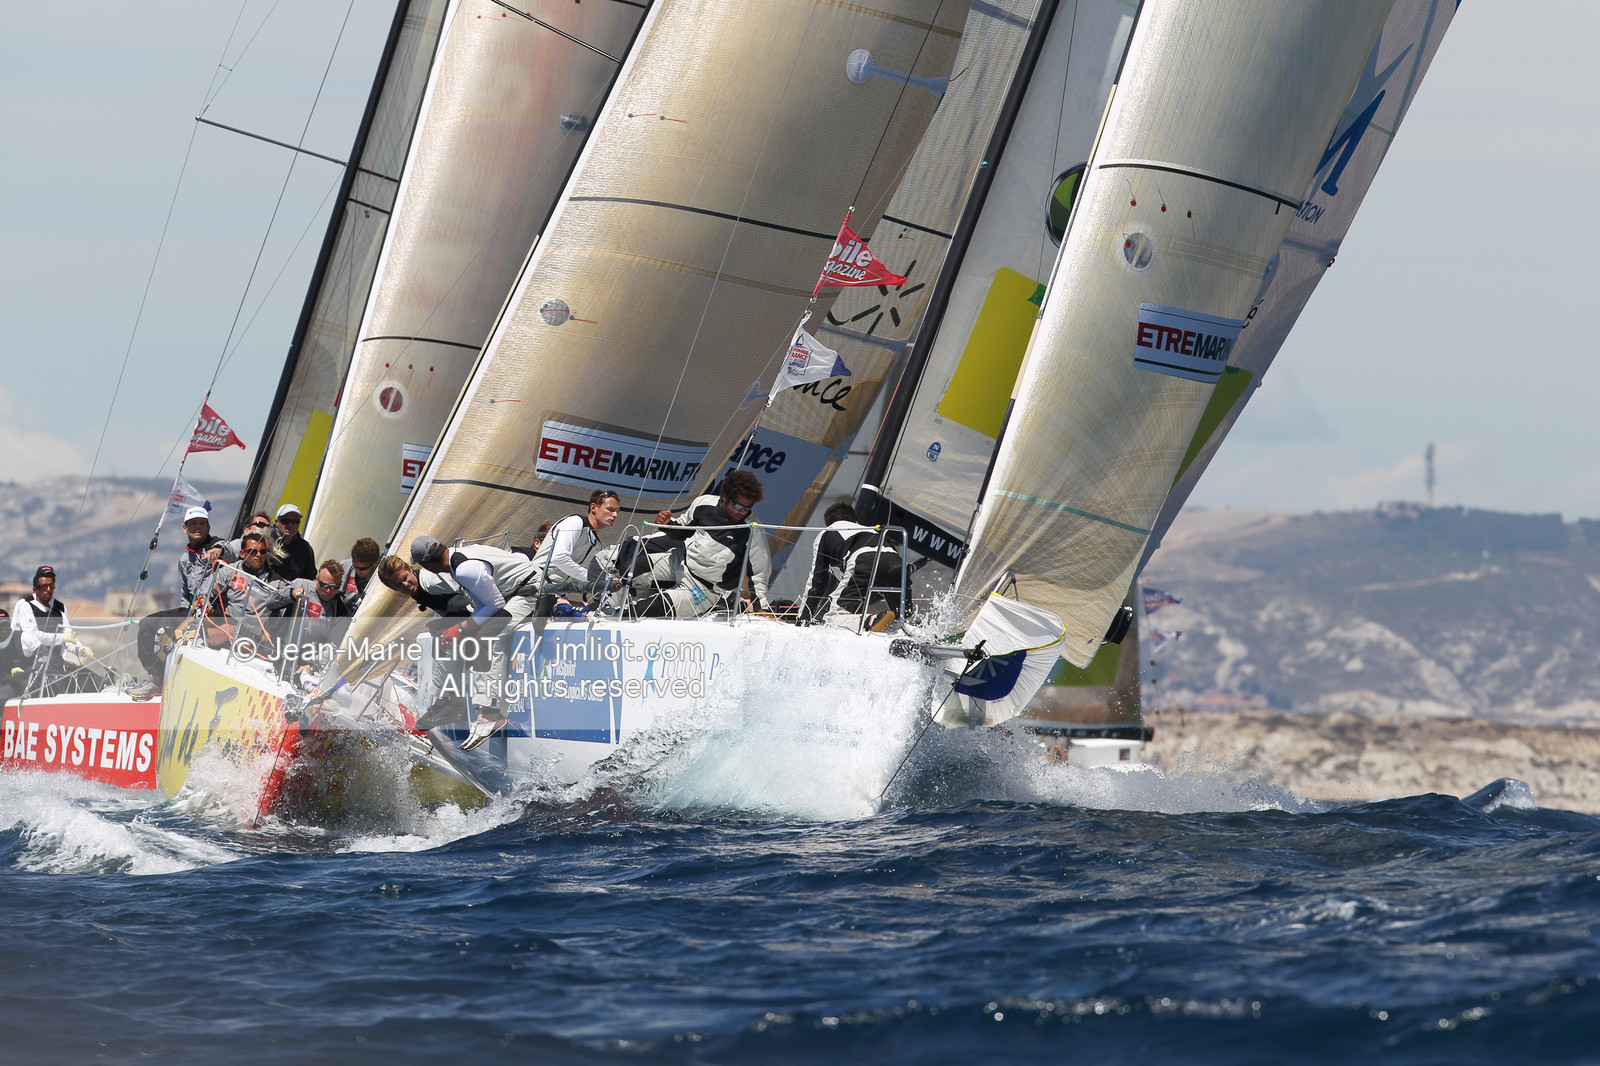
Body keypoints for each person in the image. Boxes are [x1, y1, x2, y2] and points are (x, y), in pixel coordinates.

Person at [385, 534, 545, 749]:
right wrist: (456, 626)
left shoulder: (439, 577)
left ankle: (488, 713)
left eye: (405, 577)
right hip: (510, 593)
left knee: (486, 637)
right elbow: (479, 599)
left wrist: (461, 627)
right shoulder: (445, 570)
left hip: (530, 591)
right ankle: (449, 702)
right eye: (398, 584)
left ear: (417, 566)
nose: (405, 584)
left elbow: (488, 600)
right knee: (449, 637)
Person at [132, 506, 235, 699]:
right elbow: (186, 592)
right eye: (193, 524)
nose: (198, 527)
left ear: (208, 527)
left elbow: (237, 548)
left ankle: (162, 677)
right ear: (184, 528)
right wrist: (187, 612)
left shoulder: (221, 547)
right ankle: (154, 678)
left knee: (170, 629)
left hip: (219, 613)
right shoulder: (184, 559)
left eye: (202, 524)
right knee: (147, 624)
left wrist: (219, 550)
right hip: (193, 610)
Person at [643, 470, 771, 617]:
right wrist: (667, 524)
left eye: (748, 508)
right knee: (632, 565)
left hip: (704, 589)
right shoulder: (704, 503)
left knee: (647, 609)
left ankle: (723, 602)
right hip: (681, 563)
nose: (742, 512)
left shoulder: (752, 529)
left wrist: (761, 607)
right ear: (725, 497)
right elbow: (683, 529)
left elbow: (759, 571)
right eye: (738, 506)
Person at [801, 502, 903, 632]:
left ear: (828, 524)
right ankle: (914, 631)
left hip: (864, 560)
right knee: (901, 616)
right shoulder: (872, 530)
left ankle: (871, 620)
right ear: (856, 521)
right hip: (896, 561)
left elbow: (817, 581)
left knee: (833, 617)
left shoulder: (828, 531)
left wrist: (804, 619)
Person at [529, 490, 621, 604]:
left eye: (617, 511)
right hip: (536, 585)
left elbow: (593, 572)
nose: (615, 515)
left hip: (558, 593)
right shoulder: (575, 522)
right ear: (593, 508)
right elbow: (558, 557)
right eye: (610, 510)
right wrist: (592, 579)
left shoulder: (598, 546)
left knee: (587, 610)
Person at [270, 504, 317, 582]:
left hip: (295, 592)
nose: (290, 525)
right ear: (276, 522)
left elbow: (310, 576)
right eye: (285, 521)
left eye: (295, 522)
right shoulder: (266, 541)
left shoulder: (305, 548)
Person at [338, 537, 381, 611]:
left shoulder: (382, 577)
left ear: (375, 563)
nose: (357, 571)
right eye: (355, 566)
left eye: (362, 569)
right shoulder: (343, 567)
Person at [0, 608, 27, 707]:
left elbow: (39, 656)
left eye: (6, 625)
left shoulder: (21, 638)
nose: (4, 628)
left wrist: (25, 671)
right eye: (1, 626)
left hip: (18, 682)